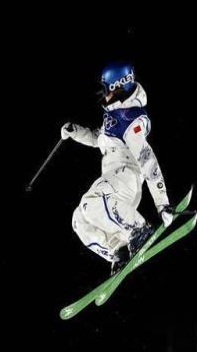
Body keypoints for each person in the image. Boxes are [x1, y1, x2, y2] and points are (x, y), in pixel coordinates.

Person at [61, 62, 173, 274]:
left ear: (118, 87)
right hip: (112, 182)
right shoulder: (116, 113)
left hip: (126, 178)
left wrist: (162, 203)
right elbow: (100, 139)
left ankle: (139, 228)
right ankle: (118, 249)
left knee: (89, 202)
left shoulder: (131, 120)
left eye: (107, 90)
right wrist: (75, 132)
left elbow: (147, 160)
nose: (104, 95)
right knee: (79, 219)